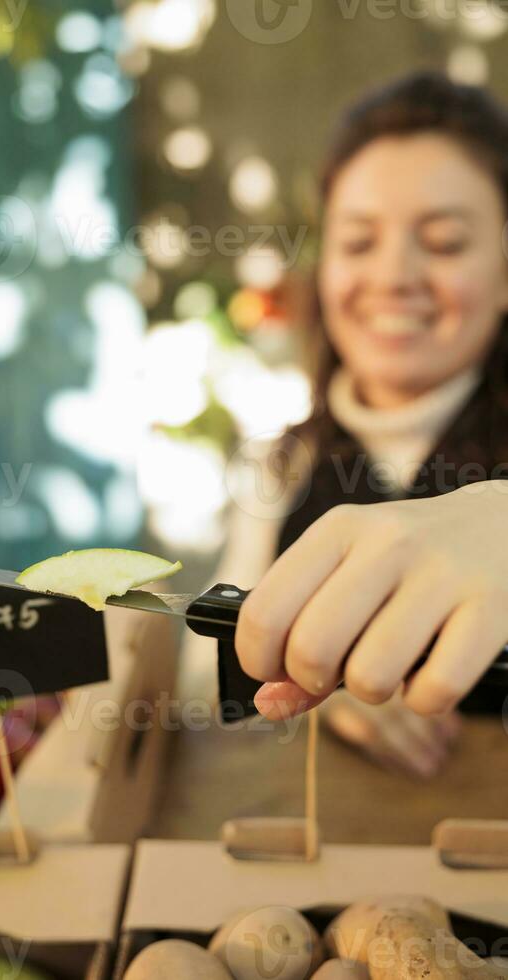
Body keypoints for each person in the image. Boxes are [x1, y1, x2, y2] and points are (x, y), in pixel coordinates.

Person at [186, 71, 508, 779]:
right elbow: (195, 683)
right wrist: (310, 689)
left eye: (447, 242)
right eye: (359, 242)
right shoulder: (280, 464)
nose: (395, 274)